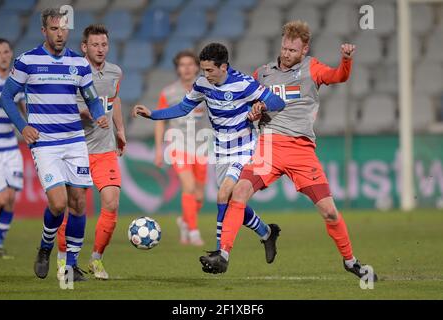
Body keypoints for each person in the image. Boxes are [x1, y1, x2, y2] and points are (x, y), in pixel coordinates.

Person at [200, 21, 378, 281]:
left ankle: (350, 261)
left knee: (329, 211)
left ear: (305, 50)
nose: (286, 54)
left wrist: (346, 59)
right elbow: (248, 104)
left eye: (293, 51)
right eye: (284, 48)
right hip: (268, 147)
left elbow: (339, 76)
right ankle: (223, 255)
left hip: (301, 150)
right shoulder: (262, 73)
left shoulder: (312, 68)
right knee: (238, 192)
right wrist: (253, 113)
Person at [132, 43, 285, 267]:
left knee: (223, 195)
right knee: (233, 202)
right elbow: (183, 107)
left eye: (209, 70)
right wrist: (152, 114)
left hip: (245, 147)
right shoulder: (203, 84)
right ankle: (266, 232)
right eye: (203, 70)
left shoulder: (244, 83)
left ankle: (221, 254)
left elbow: (277, 102)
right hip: (221, 150)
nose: (205, 75)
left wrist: (260, 106)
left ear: (223, 67)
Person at [0, 8, 108, 281]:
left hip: (74, 140)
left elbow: (92, 97)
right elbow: (6, 97)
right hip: (45, 142)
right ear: (44, 31)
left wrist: (99, 114)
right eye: (54, 29)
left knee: (80, 202)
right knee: (58, 204)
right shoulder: (28, 61)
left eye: (64, 29)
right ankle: (46, 248)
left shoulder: (79, 64)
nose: (60, 34)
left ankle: (71, 265)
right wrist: (23, 126)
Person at [56, 24, 126, 280]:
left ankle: (96, 259)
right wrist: (85, 113)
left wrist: (120, 130)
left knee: (112, 202)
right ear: (84, 47)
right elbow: (62, 108)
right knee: (74, 208)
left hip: (104, 150)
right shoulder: (72, 72)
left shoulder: (115, 72)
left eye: (104, 44)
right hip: (76, 150)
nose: (100, 49)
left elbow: (113, 101)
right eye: (95, 45)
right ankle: (65, 262)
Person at [154, 50, 208, 246]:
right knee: (189, 186)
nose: (186, 68)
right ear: (177, 68)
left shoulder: (206, 90)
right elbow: (160, 120)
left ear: (197, 67)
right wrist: (159, 149)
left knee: (199, 196)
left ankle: (185, 221)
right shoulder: (168, 93)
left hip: (201, 146)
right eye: (182, 64)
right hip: (178, 145)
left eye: (190, 64)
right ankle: (193, 232)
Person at [0, 38, 25, 258]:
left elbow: (26, 111)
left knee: (11, 197)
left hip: (11, 147)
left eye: (6, 51)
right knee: (1, 199)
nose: (3, 56)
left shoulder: (17, 83)